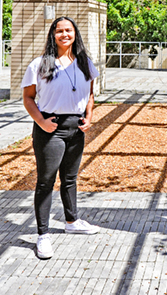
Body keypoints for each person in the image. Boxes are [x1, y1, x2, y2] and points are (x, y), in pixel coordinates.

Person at [22, 16, 100, 260]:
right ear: (52, 35)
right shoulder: (39, 64)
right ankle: (43, 234)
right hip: (50, 127)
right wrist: (42, 122)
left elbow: (89, 94)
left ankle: (71, 221)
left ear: (75, 33)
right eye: (60, 31)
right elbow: (28, 98)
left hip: (76, 128)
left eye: (69, 30)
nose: (64, 34)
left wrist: (88, 117)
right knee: (46, 181)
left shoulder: (85, 62)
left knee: (70, 178)